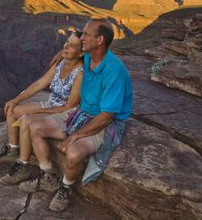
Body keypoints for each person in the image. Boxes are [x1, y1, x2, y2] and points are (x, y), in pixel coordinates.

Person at [19, 18, 133, 212]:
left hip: (104, 122)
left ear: (100, 40)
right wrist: (60, 54)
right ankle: (47, 176)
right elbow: (74, 45)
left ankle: (65, 187)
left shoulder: (115, 72)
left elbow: (106, 117)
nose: (82, 37)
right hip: (80, 112)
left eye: (86, 35)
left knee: (73, 152)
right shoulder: (89, 56)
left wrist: (76, 135)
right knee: (33, 125)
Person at [0, 31, 85, 185]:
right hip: (50, 104)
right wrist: (16, 99)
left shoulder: (80, 74)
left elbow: (69, 106)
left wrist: (38, 111)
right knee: (12, 109)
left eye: (72, 45)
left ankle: (24, 166)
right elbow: (39, 84)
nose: (66, 46)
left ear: (82, 52)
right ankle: (13, 148)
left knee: (27, 121)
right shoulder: (61, 63)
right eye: (66, 42)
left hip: (63, 112)